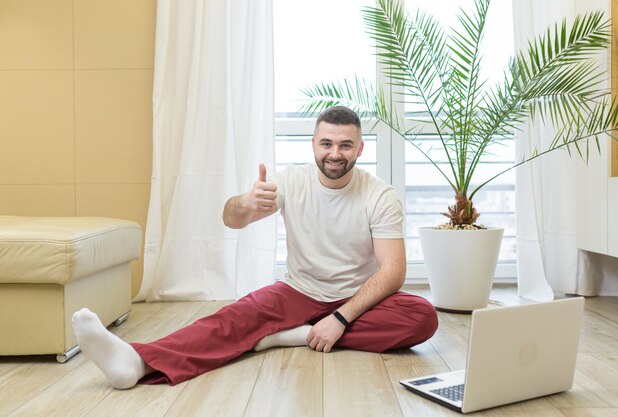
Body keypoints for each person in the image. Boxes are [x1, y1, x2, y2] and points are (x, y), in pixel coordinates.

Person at [72, 105, 438, 390]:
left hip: (358, 298)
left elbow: (392, 271)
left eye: (345, 145)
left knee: (422, 318)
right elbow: (231, 219)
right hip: (300, 290)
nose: (335, 153)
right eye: (326, 143)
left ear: (359, 148)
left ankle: (293, 336)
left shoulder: (379, 195)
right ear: (314, 145)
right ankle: (137, 361)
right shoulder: (290, 181)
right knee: (231, 320)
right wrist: (246, 203)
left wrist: (340, 318)